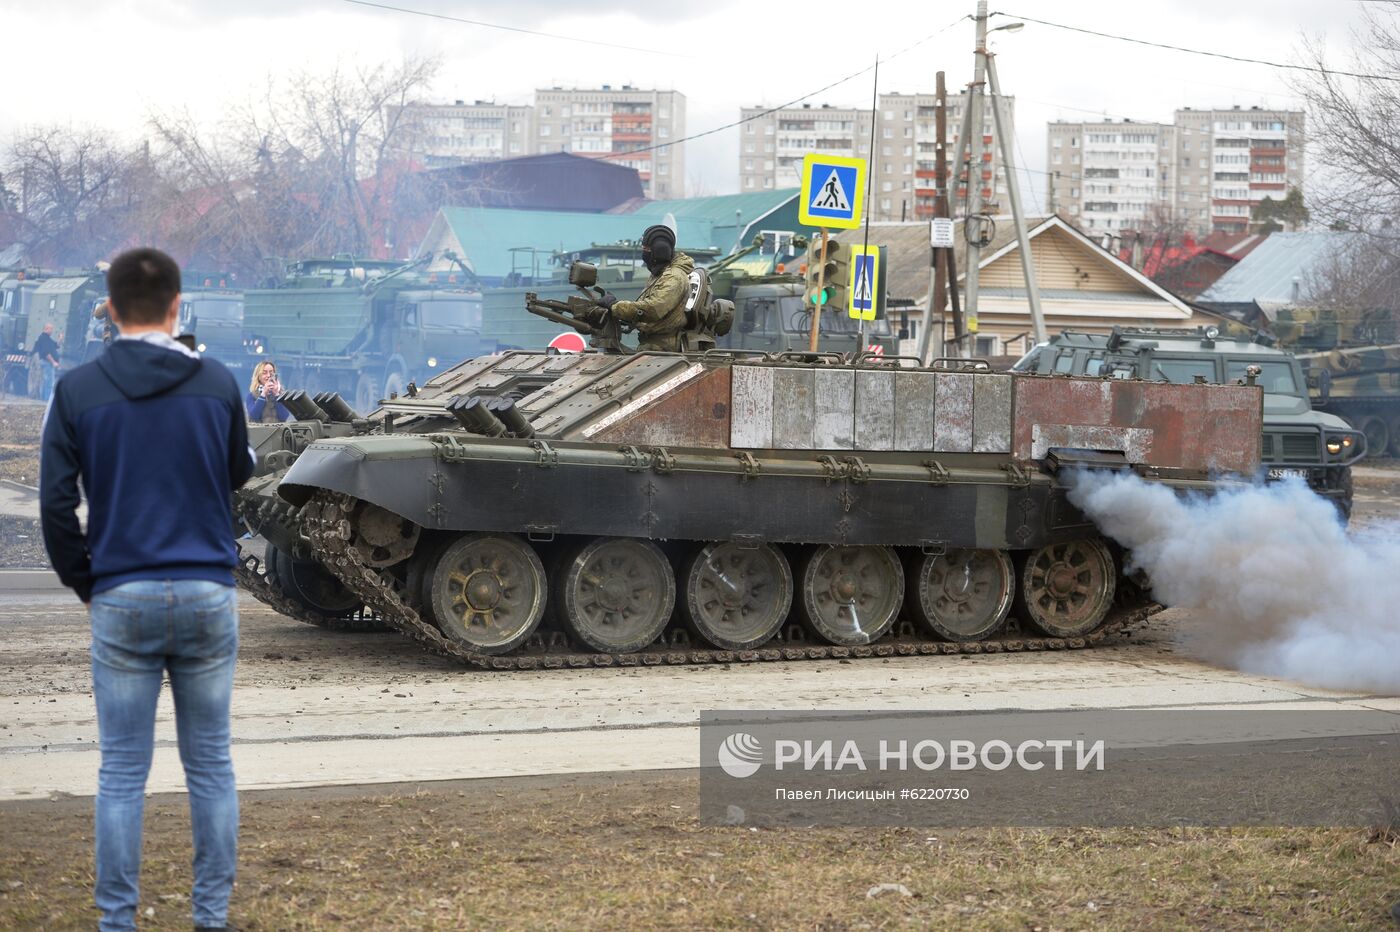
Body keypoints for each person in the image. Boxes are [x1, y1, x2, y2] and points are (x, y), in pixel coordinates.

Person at [39, 247, 254, 932]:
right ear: (176, 307)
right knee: (212, 768)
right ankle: (210, 918)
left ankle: (116, 922)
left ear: (107, 307)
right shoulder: (218, 382)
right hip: (206, 590)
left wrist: (87, 581)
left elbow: (53, 504)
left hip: (122, 593)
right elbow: (239, 475)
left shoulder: (76, 390)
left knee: (121, 775)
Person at [605, 224, 694, 352]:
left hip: (663, 349)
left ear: (659, 252)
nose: (643, 252)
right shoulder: (660, 274)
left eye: (646, 249)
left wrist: (615, 306)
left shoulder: (674, 277)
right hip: (651, 346)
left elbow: (653, 309)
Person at [32, 321, 60, 400]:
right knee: (49, 382)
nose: (52, 330)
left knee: (46, 381)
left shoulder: (48, 338)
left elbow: (56, 345)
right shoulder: (43, 338)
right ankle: (47, 400)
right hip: (47, 363)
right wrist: (53, 362)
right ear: (46, 328)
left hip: (47, 362)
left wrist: (60, 339)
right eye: (51, 328)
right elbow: (46, 353)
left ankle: (44, 399)